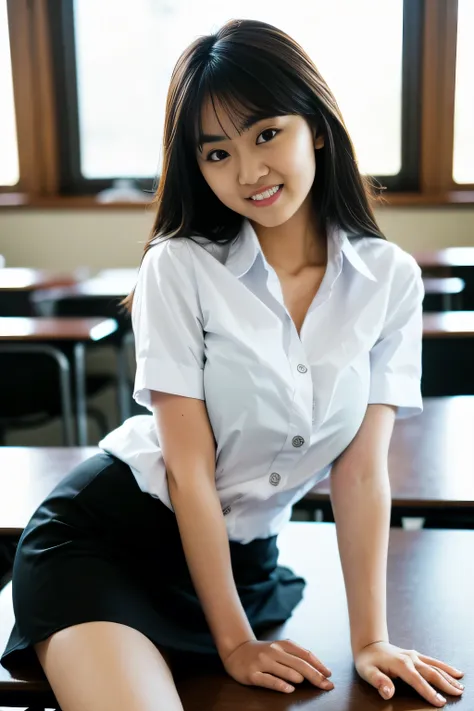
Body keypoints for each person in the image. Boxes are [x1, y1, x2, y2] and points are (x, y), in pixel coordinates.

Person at [1, 18, 465, 711]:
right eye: (216, 153)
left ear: (318, 126)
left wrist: (371, 637)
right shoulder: (179, 267)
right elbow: (188, 472)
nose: (248, 171)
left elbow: (362, 469)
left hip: (244, 567)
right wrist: (236, 641)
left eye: (266, 133)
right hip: (107, 545)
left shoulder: (388, 280)